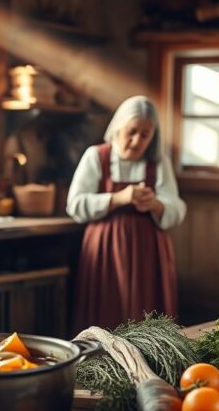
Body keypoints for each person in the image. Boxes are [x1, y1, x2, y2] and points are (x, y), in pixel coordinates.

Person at [67, 96, 187, 331]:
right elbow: (75, 205)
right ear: (118, 126)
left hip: (148, 253)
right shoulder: (96, 157)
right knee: (107, 310)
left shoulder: (158, 163)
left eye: (145, 135)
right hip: (105, 250)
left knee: (146, 315)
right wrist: (118, 198)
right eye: (131, 132)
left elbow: (177, 207)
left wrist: (156, 204)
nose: (136, 141)